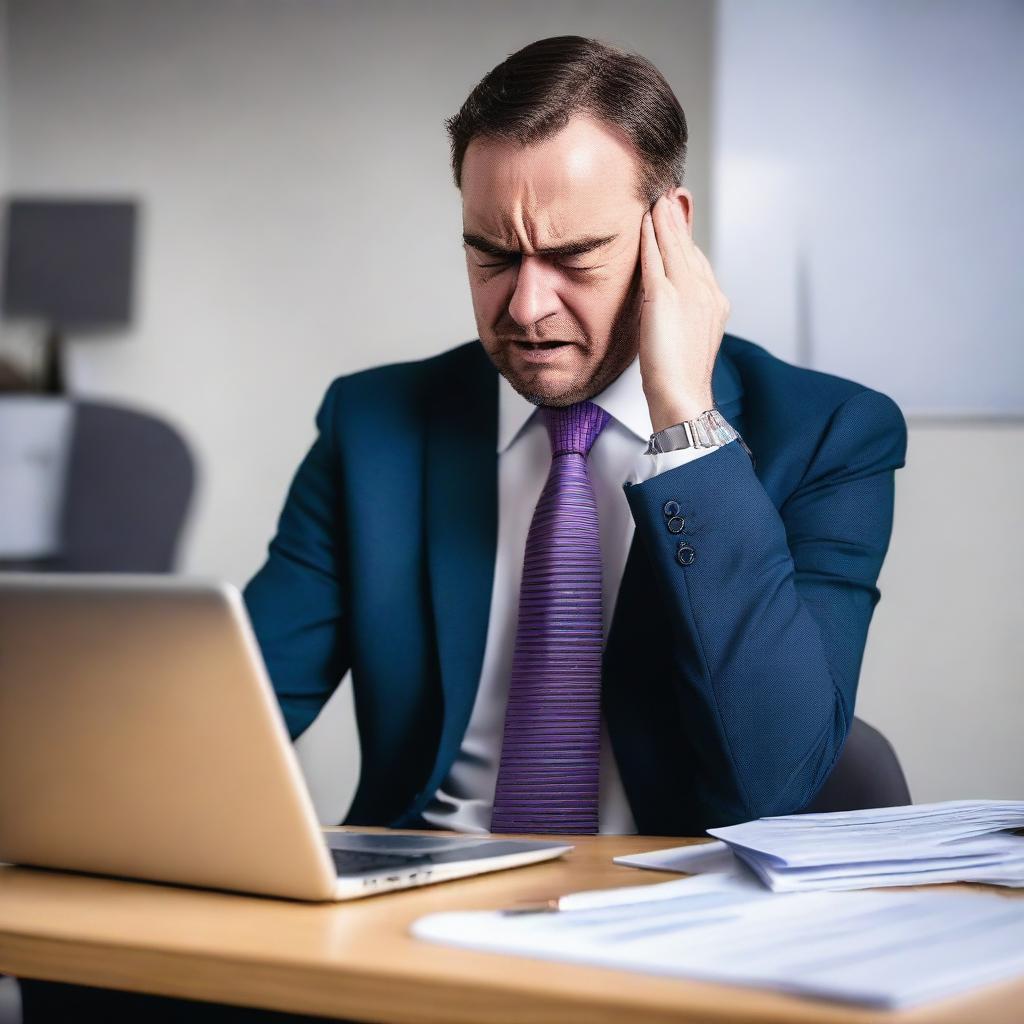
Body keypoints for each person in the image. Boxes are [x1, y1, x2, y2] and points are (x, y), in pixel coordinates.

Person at [243, 34, 907, 838]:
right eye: (491, 256)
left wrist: (688, 429)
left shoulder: (829, 434)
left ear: (671, 229)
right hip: (417, 902)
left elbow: (775, 777)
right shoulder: (373, 426)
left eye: (573, 257)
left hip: (667, 916)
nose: (525, 307)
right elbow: (235, 720)